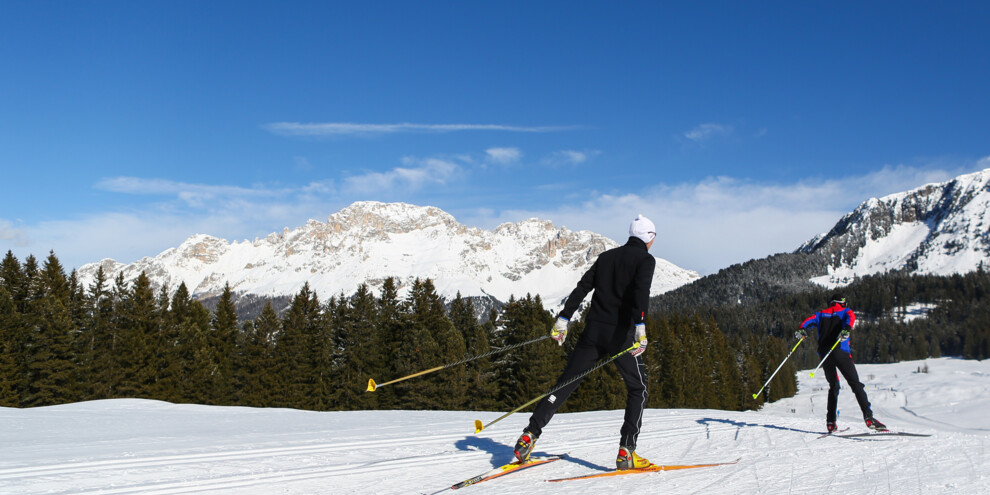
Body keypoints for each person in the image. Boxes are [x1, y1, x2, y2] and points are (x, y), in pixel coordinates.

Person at [513, 214, 657, 470]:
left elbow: (582, 288)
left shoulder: (606, 257)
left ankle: (529, 435)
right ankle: (626, 451)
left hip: (592, 333)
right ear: (649, 238)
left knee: (566, 383)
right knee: (639, 388)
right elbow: (640, 293)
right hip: (620, 338)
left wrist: (563, 319)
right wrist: (640, 327)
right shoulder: (645, 260)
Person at [798, 294, 886, 433]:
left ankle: (831, 422)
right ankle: (869, 418)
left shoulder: (820, 314)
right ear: (842, 303)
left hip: (824, 354)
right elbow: (851, 318)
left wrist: (801, 330)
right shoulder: (846, 311)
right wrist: (847, 329)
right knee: (855, 384)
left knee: (833, 386)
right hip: (840, 351)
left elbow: (807, 322)